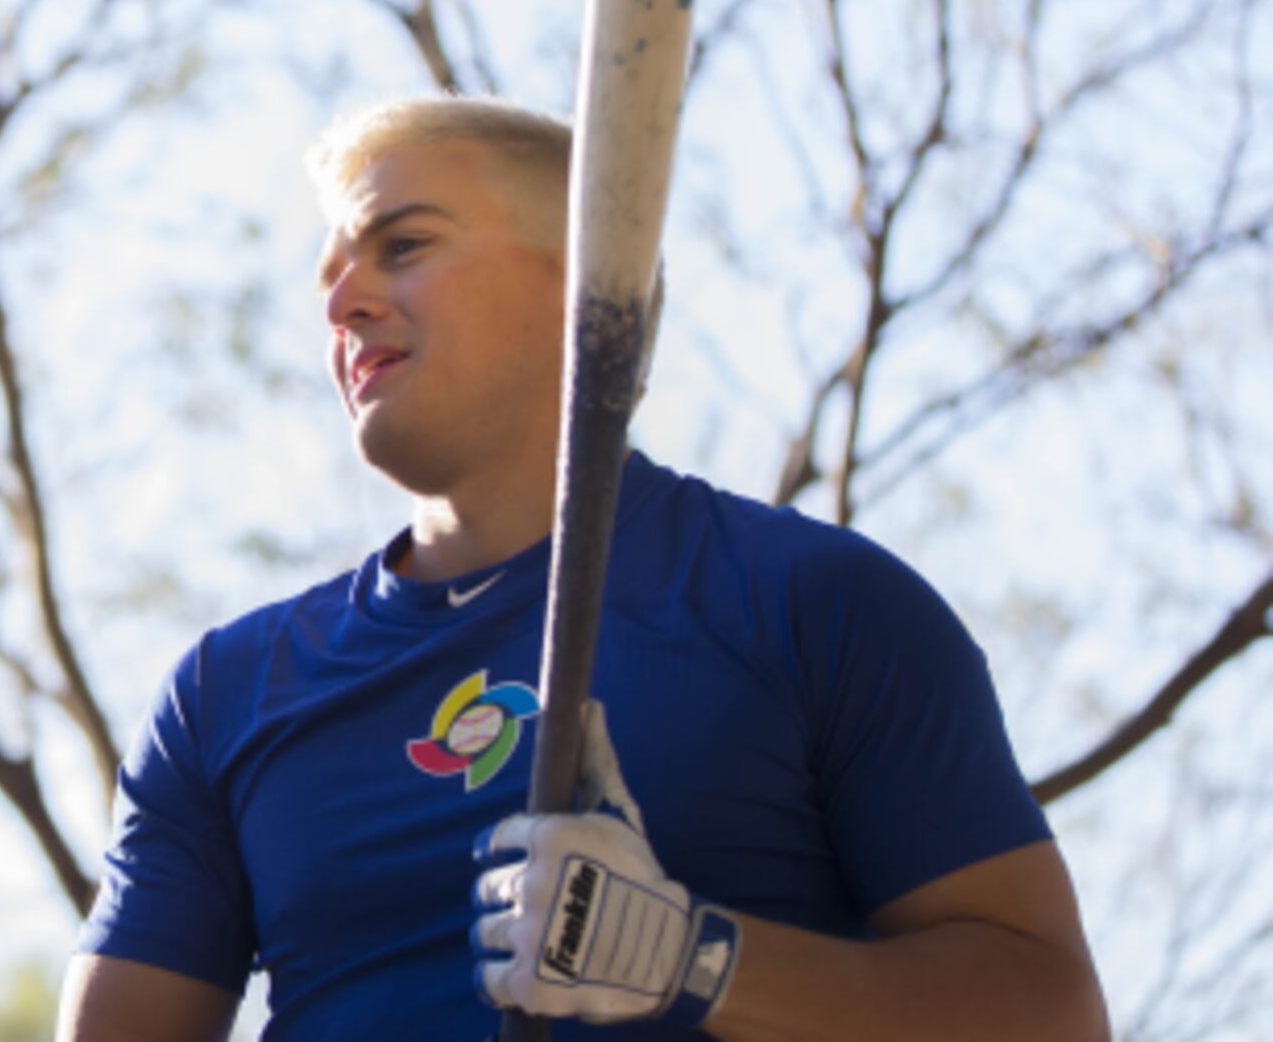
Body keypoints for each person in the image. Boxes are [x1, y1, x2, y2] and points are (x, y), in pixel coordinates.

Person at [58, 98, 1108, 1040]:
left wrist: (697, 960)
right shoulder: (227, 692)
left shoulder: (808, 601)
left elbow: (1050, 1013)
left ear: (589, 282)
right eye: (331, 273)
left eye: (404, 243)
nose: (342, 303)